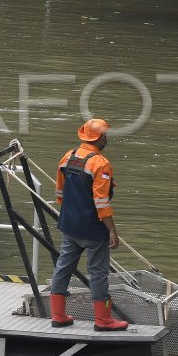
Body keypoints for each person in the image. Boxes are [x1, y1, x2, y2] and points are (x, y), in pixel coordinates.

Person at [47, 118, 129, 331]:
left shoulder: (68, 156)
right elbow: (101, 202)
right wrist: (112, 229)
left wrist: (70, 214)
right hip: (92, 228)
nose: (107, 139)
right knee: (98, 272)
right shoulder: (100, 163)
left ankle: (57, 315)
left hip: (69, 224)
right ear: (99, 138)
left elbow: (60, 193)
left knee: (63, 266)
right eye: (105, 135)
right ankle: (103, 320)